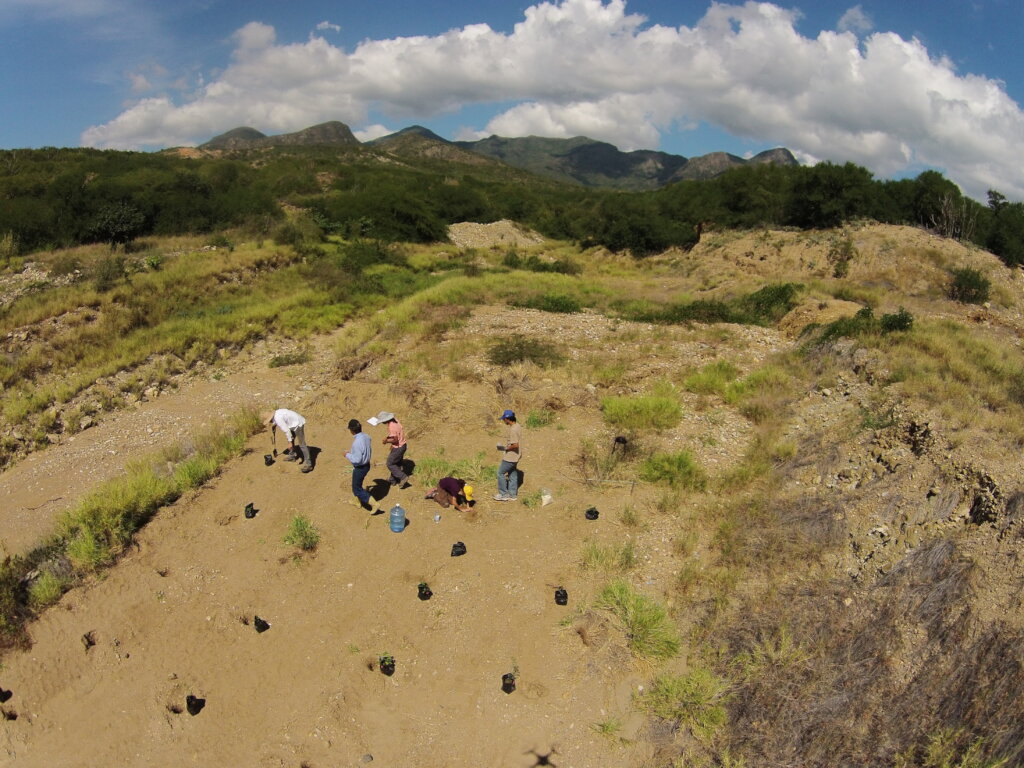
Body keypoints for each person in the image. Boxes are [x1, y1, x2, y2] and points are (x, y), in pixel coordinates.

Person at [368, 411, 410, 489]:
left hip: (398, 447)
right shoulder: (395, 420)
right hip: (402, 445)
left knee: (390, 463)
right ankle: (392, 480)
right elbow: (398, 434)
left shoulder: (392, 426)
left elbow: (395, 439)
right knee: (396, 462)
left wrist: (386, 441)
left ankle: (403, 477)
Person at [265, 409, 312, 473]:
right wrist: (274, 425)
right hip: (292, 423)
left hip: (298, 424)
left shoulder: (278, 419)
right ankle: (292, 455)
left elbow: (287, 431)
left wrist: (290, 443)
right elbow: (282, 420)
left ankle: (309, 464)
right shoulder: (277, 414)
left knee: (302, 444)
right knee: (290, 438)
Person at [345, 418, 373, 511]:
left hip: (360, 468)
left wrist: (347, 455)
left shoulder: (356, 443)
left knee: (356, 488)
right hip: (367, 464)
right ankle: (356, 501)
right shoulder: (366, 436)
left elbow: (357, 459)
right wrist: (353, 452)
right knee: (357, 484)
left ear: (352, 431)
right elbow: (362, 450)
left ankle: (374, 503)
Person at [494, 409, 521, 501]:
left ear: (507, 419)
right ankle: (512, 495)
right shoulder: (517, 426)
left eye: (504, 419)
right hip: (516, 455)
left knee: (500, 473)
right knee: (512, 473)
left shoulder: (513, 430)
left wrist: (505, 448)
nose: (503, 420)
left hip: (510, 457)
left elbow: (515, 445)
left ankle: (503, 494)